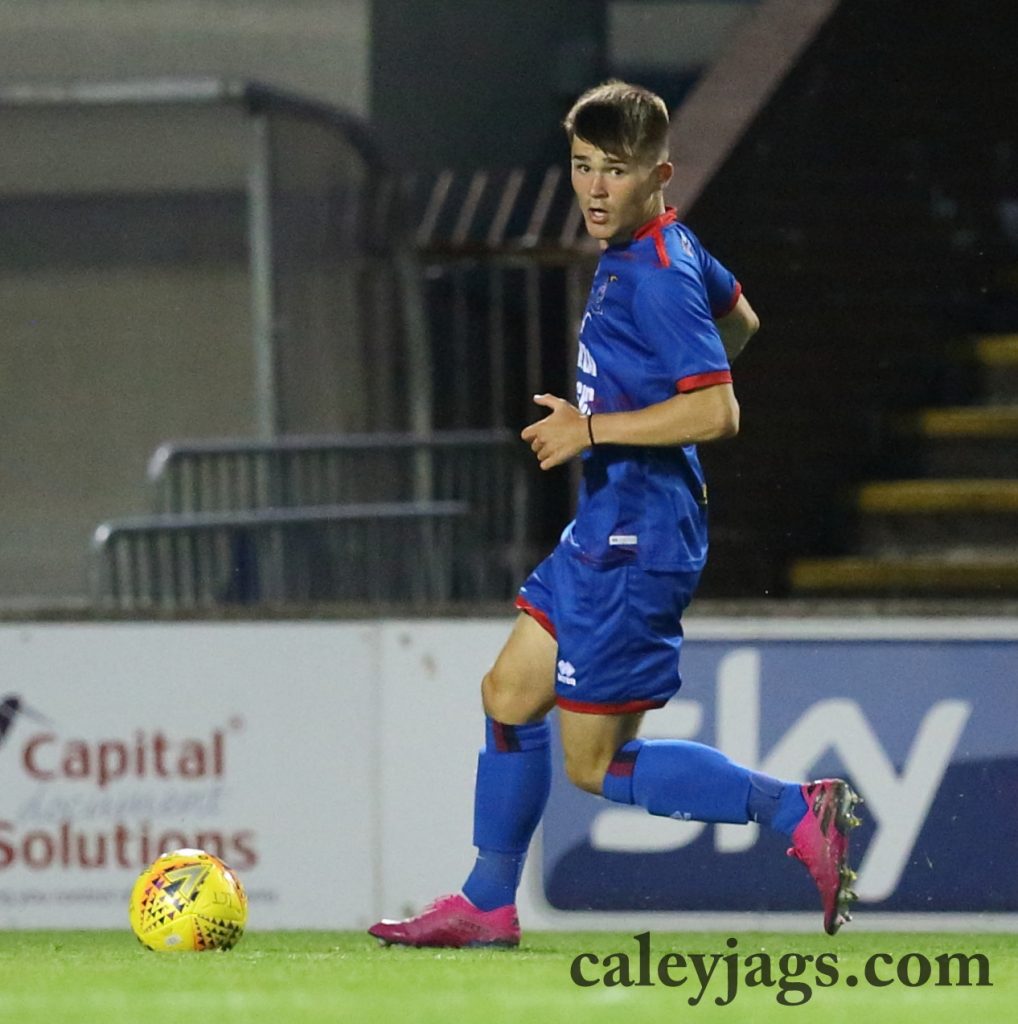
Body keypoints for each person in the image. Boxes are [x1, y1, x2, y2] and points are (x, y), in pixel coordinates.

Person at [370, 80, 860, 948]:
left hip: (638, 537)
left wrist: (595, 428)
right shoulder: (660, 247)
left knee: (594, 767)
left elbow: (718, 411)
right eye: (582, 166)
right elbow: (741, 321)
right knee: (508, 693)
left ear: (659, 175)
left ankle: (795, 809)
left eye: (617, 171)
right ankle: (487, 902)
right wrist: (643, 400)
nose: (594, 189)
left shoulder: (659, 275)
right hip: (606, 525)